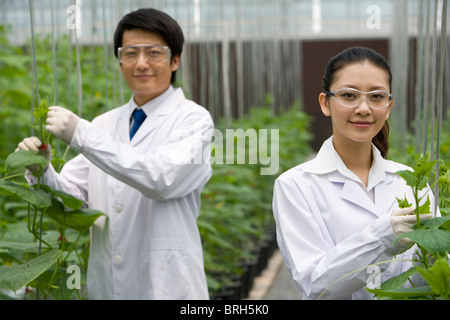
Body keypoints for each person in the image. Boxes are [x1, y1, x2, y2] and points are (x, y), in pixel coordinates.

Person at [17, 8, 213, 300]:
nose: (141, 63)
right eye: (131, 53)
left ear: (174, 61)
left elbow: (161, 179)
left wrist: (81, 135)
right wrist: (41, 170)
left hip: (167, 286)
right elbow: (72, 201)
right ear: (120, 62)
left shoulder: (194, 121)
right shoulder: (105, 124)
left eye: (154, 53)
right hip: (107, 285)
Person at [272, 47, 439, 300]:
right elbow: (317, 286)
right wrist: (383, 237)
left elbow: (434, 267)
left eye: (376, 97)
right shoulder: (295, 185)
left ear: (389, 106)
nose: (363, 108)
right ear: (325, 103)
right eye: (349, 95)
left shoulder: (411, 181)